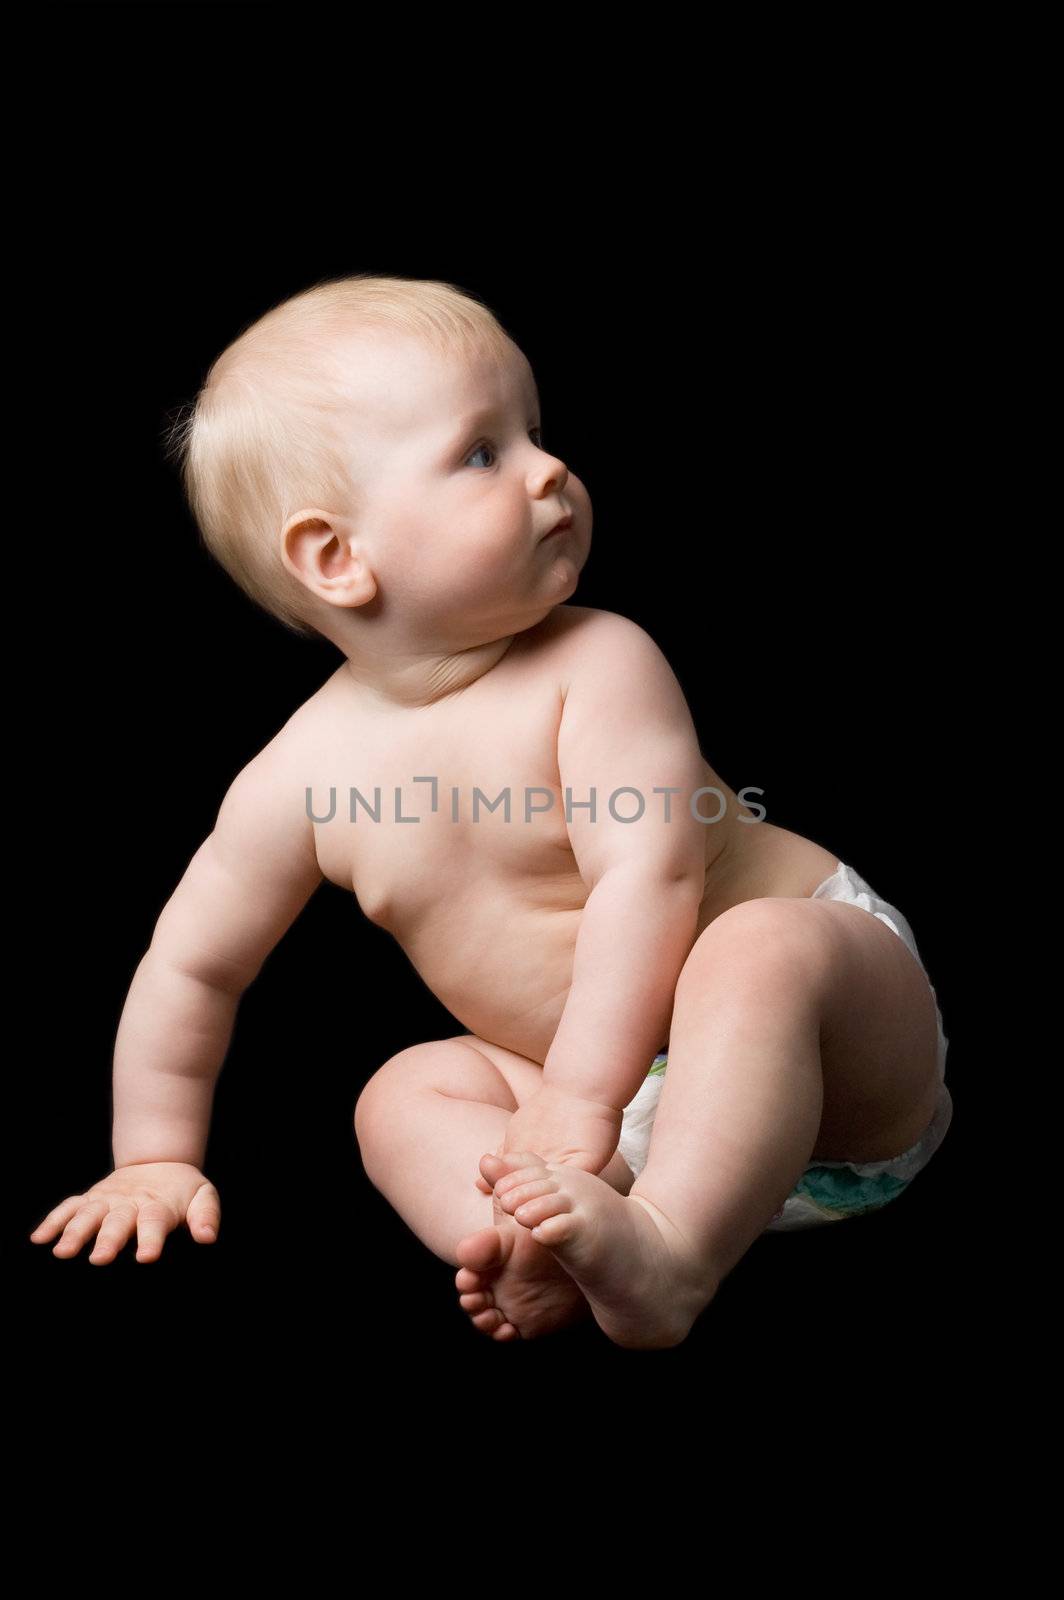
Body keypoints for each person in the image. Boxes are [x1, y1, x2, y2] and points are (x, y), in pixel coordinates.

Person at [28, 273, 952, 1348]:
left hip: (835, 1068)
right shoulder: (296, 780)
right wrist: (154, 1152)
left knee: (755, 944)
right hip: (619, 1131)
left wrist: (579, 1098)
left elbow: (647, 875)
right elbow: (192, 965)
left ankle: (671, 1256)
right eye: (481, 452)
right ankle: (532, 1248)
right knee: (399, 1091)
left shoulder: (595, 662)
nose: (547, 466)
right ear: (337, 558)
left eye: (533, 430)